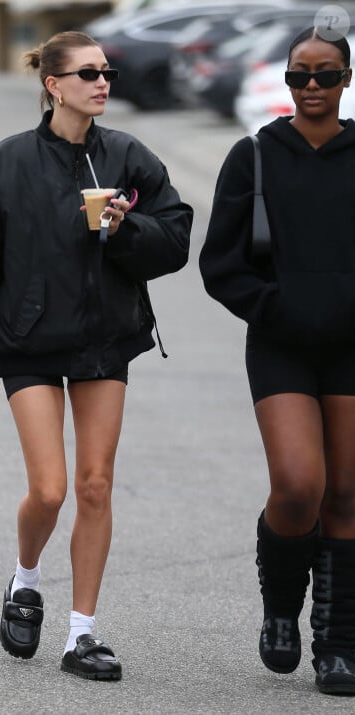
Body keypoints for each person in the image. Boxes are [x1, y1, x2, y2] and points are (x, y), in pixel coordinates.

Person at [0, 30, 192, 680]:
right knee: (49, 490)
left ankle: (81, 635)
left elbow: (177, 236)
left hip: (105, 338)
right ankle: (24, 580)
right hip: (29, 341)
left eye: (107, 73)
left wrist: (126, 230)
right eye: (88, 73)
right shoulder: (4, 165)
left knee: (95, 485)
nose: (103, 82)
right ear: (53, 85)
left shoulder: (128, 156)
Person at [200, 26, 355, 695]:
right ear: (284, 80)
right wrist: (275, 308)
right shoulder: (255, 155)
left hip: (353, 346)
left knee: (347, 494)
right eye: (299, 75)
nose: (312, 86)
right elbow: (220, 264)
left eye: (324, 74)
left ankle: (339, 645)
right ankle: (280, 609)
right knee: (299, 486)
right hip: (281, 342)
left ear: (347, 78)